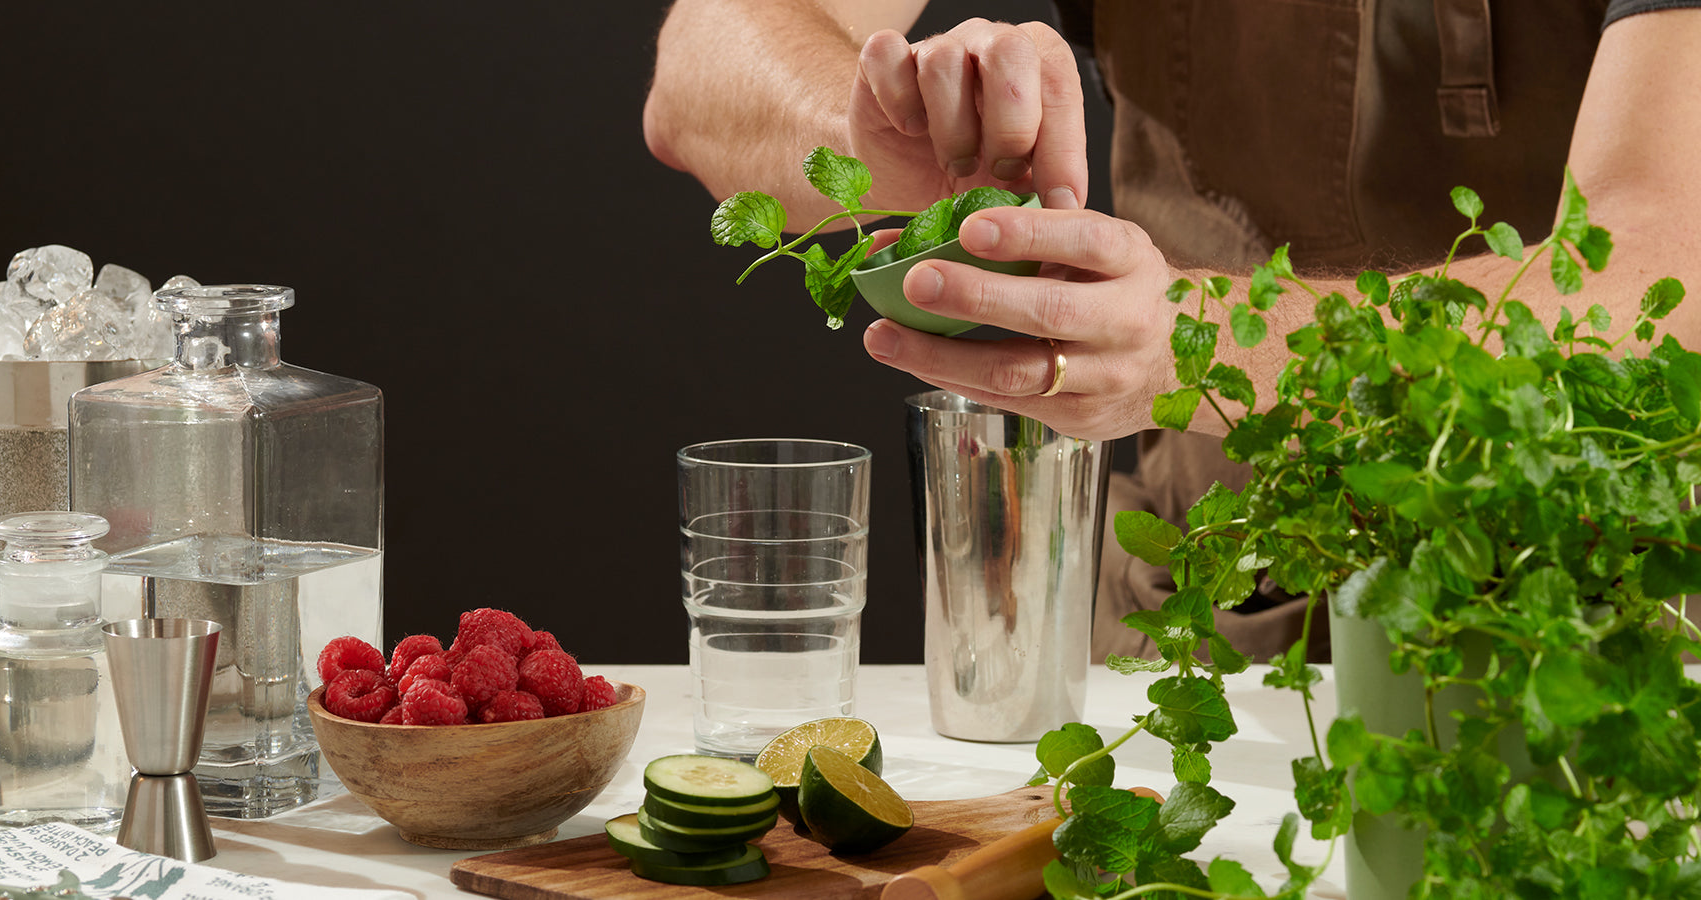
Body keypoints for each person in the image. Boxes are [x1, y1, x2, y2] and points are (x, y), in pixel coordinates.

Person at [642, 0, 1701, 662]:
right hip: (1200, 624)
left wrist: (1190, 343)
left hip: (1597, 639)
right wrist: (872, 130)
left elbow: (1669, 273)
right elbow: (701, 61)